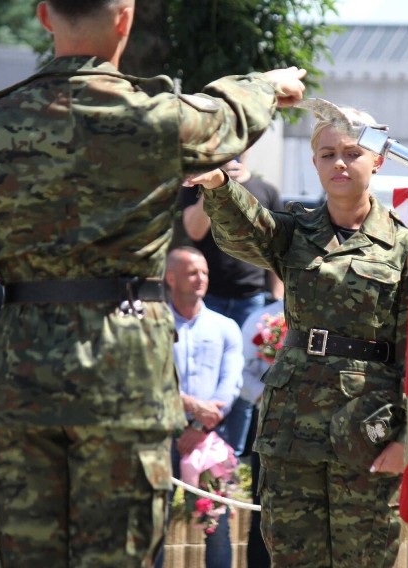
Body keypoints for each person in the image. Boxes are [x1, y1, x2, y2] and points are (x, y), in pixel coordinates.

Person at [0, 0, 306, 564]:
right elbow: (229, 114)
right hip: (127, 375)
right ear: (124, 18)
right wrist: (267, 84)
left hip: (22, 380)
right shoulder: (158, 118)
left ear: (44, 16)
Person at [187, 105, 408, 567]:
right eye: (327, 154)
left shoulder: (406, 246)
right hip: (293, 429)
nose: (340, 164)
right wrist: (218, 185)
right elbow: (248, 226)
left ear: (377, 161)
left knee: (365, 558)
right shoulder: (294, 232)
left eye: (353, 153)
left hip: (368, 428)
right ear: (314, 164)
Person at [180, 151, 284, 457]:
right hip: (206, 301)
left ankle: (232, 458)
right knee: (207, 376)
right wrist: (216, 187)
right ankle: (198, 455)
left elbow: (278, 249)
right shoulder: (195, 185)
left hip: (252, 302)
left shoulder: (267, 191)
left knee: (244, 383)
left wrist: (276, 302)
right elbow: (194, 230)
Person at [154, 246, 243, 568]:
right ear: (170, 278)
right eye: (192, 272)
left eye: (204, 272)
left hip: (209, 438)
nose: (201, 278)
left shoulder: (225, 327)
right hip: (160, 436)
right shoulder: (154, 325)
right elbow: (150, 382)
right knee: (153, 524)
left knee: (216, 525)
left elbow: (231, 385)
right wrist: (189, 406)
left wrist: (199, 428)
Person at [237, 297, 286, 568]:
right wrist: (266, 397)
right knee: (263, 508)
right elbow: (242, 371)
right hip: (268, 422)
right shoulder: (262, 317)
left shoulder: (328, 315)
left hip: (317, 424)